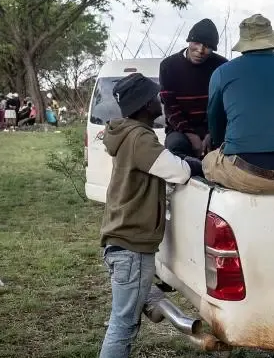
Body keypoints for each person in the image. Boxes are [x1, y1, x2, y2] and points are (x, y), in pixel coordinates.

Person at [99, 73, 200, 358]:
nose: (160, 102)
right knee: (123, 325)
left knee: (125, 319)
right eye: (155, 98)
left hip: (119, 240)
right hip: (132, 246)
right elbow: (178, 171)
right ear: (144, 104)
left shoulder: (124, 133)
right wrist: (203, 164)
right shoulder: (139, 137)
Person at [204, 14, 274, 194]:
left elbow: (216, 127)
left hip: (245, 173)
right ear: (272, 41)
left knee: (208, 162)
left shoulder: (221, 73)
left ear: (244, 44)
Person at [158, 18, 229, 158]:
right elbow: (170, 107)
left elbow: (225, 104)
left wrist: (212, 133)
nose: (201, 50)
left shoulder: (222, 66)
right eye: (196, 43)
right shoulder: (168, 66)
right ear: (189, 41)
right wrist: (190, 135)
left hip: (213, 127)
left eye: (207, 46)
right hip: (180, 129)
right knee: (176, 147)